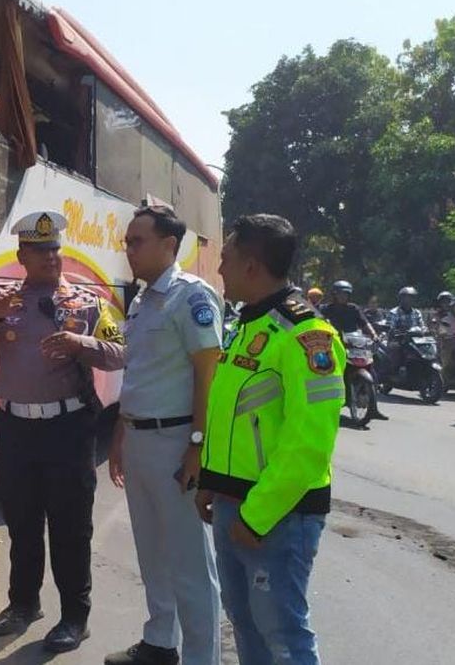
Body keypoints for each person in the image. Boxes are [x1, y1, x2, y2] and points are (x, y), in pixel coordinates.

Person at [0, 211, 125, 653]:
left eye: (55, 248)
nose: (51, 257)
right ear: (23, 255)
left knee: (71, 526)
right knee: (22, 521)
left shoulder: (87, 301)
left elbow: (120, 352)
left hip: (68, 429)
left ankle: (75, 615)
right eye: (41, 250)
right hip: (15, 428)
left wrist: (80, 344)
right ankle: (23, 604)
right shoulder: (0, 298)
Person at [195, 214, 344, 665]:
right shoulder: (250, 325)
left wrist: (257, 516)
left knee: (284, 638)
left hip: (276, 517)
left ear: (252, 266)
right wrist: (210, 479)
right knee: (246, 626)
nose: (218, 269)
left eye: (225, 258)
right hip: (231, 504)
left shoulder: (307, 335)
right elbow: (233, 417)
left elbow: (310, 444)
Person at [105, 205, 222, 665]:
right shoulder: (143, 298)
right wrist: (120, 433)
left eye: (137, 241)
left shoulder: (190, 297)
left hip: (176, 443)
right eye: (127, 241)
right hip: (139, 439)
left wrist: (197, 447)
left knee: (192, 564)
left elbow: (208, 375)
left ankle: (201, 658)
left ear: (169, 245)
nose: (128, 249)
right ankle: (159, 642)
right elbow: (139, 372)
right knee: (151, 549)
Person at [321, 281, 388, 421]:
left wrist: (374, 335)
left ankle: (374, 408)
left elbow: (365, 323)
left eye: (346, 294)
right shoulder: (326, 309)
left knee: (371, 368)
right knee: (329, 370)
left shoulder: (354, 308)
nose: (343, 296)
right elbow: (319, 322)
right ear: (334, 294)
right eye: (340, 293)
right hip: (334, 345)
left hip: (354, 344)